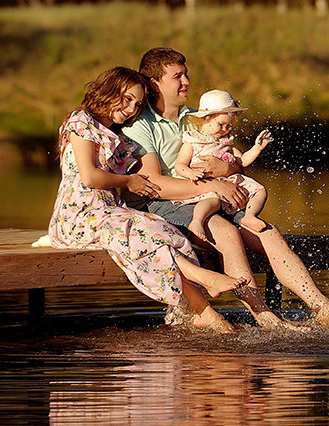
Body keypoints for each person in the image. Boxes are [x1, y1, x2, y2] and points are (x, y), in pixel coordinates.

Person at [122, 47, 329, 329]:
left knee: (267, 232)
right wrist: (215, 184)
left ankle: (322, 307)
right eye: (177, 76)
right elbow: (152, 185)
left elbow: (234, 162)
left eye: (186, 74)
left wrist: (227, 170)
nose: (186, 82)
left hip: (209, 195)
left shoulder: (198, 118)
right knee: (227, 233)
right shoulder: (139, 126)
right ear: (155, 83)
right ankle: (265, 317)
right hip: (162, 204)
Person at [45, 66, 246, 333]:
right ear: (109, 91)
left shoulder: (116, 133)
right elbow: (90, 177)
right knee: (138, 230)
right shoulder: (81, 122)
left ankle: (204, 313)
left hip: (109, 210)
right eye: (127, 99)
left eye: (137, 104)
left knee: (161, 229)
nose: (131, 109)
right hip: (78, 215)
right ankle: (203, 280)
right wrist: (129, 181)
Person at [173, 89, 273, 239]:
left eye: (229, 126)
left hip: (228, 181)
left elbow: (242, 161)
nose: (225, 129)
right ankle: (197, 221)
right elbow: (180, 165)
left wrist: (257, 148)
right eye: (221, 124)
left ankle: (249, 216)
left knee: (260, 190)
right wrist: (191, 173)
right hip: (205, 183)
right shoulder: (193, 141)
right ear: (205, 119)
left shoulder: (226, 142)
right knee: (212, 201)